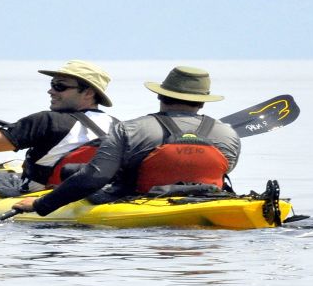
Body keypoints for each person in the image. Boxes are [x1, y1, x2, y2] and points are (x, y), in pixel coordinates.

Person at [12, 66, 241, 216]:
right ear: (203, 102)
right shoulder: (228, 134)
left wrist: (40, 205)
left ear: (160, 95)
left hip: (141, 209)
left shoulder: (129, 129)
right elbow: (224, 168)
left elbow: (95, 177)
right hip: (211, 205)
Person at [0, 60, 117, 190]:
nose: (51, 91)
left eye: (60, 86)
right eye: (52, 84)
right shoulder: (119, 127)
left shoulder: (46, 121)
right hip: (97, 195)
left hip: (41, 197)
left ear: (88, 93)